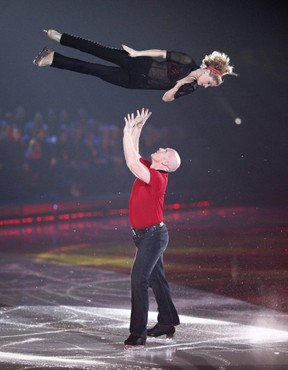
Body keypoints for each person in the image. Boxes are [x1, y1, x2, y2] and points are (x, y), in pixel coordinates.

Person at [33, 29, 236, 102]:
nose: (205, 86)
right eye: (208, 82)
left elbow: (165, 99)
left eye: (208, 86)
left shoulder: (189, 88)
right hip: (138, 62)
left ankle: (53, 59)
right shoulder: (187, 61)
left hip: (133, 81)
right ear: (208, 71)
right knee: (97, 50)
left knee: (92, 69)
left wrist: (177, 86)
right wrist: (138, 52)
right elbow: (160, 53)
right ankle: (62, 38)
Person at [122, 108, 181, 348]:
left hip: (153, 237)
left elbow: (129, 160)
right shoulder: (152, 169)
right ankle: (167, 321)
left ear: (165, 161)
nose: (160, 148)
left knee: (139, 279)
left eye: (164, 150)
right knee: (157, 278)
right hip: (149, 235)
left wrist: (126, 132)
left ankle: (138, 334)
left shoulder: (157, 178)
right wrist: (137, 129)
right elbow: (134, 155)